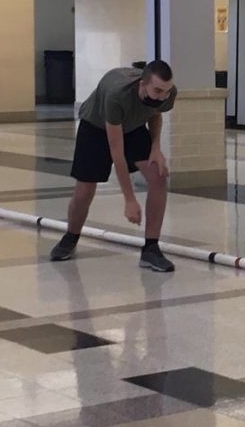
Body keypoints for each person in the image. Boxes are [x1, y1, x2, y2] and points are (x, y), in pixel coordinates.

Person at [50, 60, 178, 272]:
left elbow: (155, 113)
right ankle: (70, 237)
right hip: (97, 126)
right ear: (142, 84)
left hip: (134, 126)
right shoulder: (116, 94)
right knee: (85, 189)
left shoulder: (167, 93)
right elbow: (116, 152)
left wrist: (156, 147)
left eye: (166, 91)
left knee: (158, 176)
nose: (163, 96)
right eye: (157, 90)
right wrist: (129, 199)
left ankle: (151, 249)